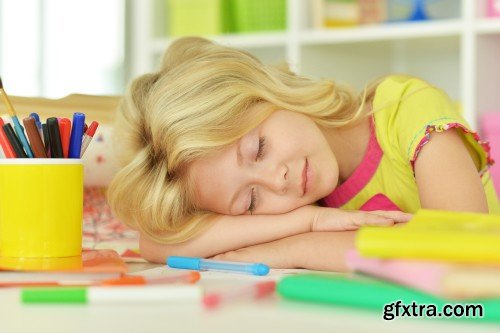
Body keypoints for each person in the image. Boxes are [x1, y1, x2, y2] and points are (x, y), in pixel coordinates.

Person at [107, 37, 498, 272]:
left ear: (268, 90)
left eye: (257, 149)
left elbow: (458, 246)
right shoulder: (309, 202)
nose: (276, 181)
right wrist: (309, 218)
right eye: (251, 201)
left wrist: (292, 247)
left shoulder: (404, 107)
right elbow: (156, 245)